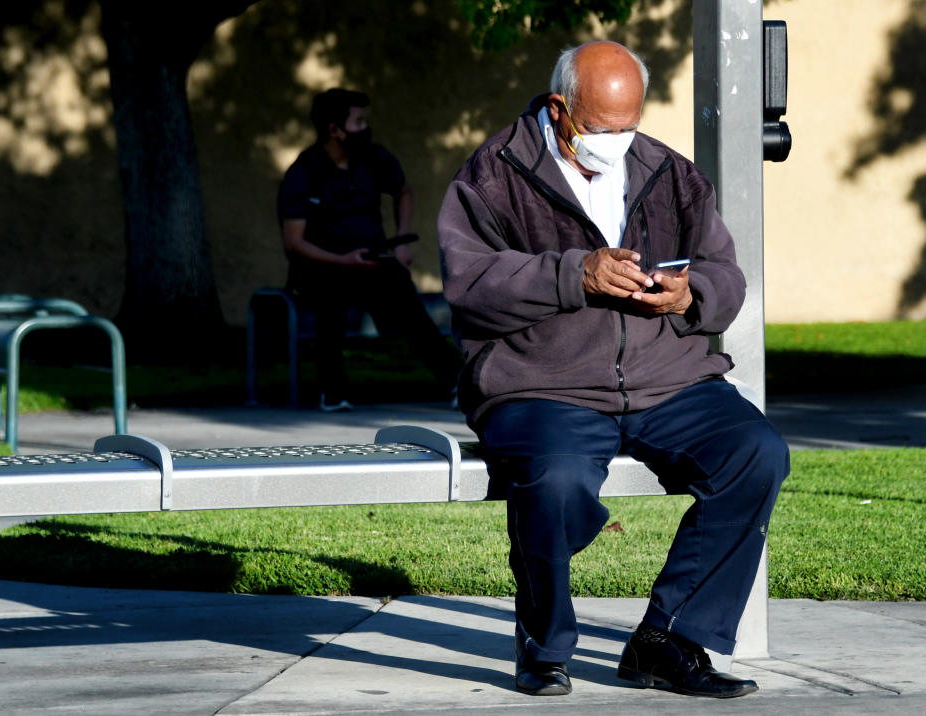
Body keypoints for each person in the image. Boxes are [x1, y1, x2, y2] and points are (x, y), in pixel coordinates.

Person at [438, 42, 789, 698]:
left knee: (756, 452)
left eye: (630, 126)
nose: (620, 142)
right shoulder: (493, 173)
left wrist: (692, 293)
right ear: (559, 108)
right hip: (541, 383)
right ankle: (543, 644)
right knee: (560, 480)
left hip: (668, 378)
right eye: (603, 130)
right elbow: (468, 281)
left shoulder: (667, 171)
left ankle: (667, 641)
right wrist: (576, 273)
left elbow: (724, 271)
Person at [277, 88, 461, 411]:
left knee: (408, 303)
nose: (365, 128)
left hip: (373, 262)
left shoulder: (373, 158)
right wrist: (342, 260)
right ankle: (332, 393)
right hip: (323, 268)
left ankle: (458, 383)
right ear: (335, 130)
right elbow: (294, 243)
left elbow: (403, 191)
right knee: (328, 298)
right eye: (358, 122)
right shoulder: (305, 172)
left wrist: (402, 242)